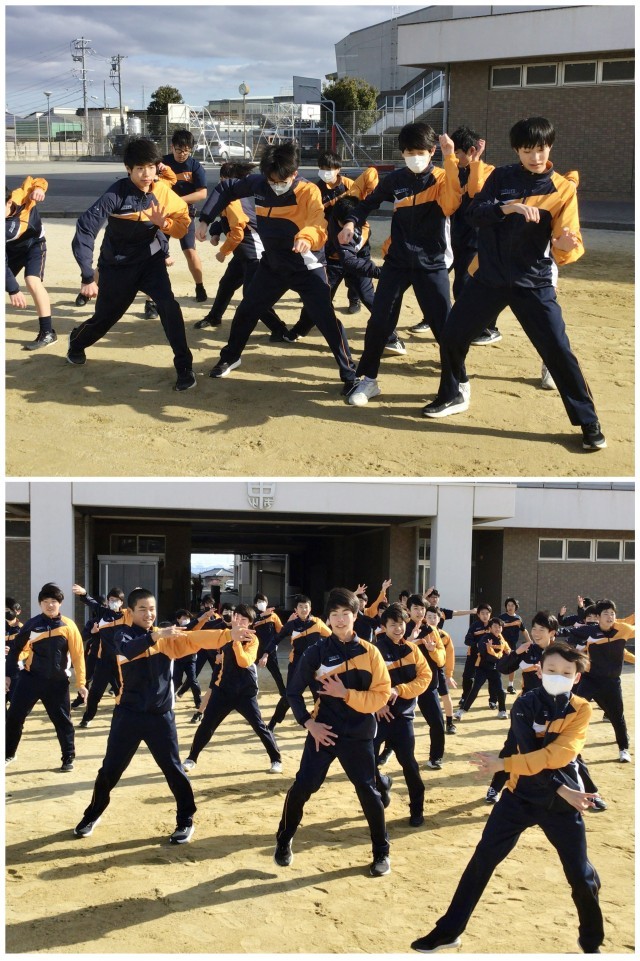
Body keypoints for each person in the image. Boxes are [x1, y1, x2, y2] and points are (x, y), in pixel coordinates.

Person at [421, 116, 606, 453]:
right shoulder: (501, 177)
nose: (535, 157)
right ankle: (454, 392)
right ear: (517, 151)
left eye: (541, 149)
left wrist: (565, 243)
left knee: (558, 351)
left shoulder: (562, 189)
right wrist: (508, 208)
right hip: (489, 278)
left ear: (550, 147)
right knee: (452, 336)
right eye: (527, 150)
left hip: (532, 282)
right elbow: (474, 214)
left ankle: (587, 421)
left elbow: (568, 242)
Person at [411, 642, 604, 955]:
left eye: (566, 673)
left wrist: (506, 765)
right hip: (520, 797)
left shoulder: (581, 709)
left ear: (577, 677)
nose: (558, 676)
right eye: (552, 670)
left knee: (580, 876)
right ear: (539, 671)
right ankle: (448, 931)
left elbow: (557, 756)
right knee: (482, 861)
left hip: (561, 806)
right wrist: (560, 787)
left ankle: (591, 942)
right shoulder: (524, 704)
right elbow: (529, 756)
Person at [72, 588, 252, 843]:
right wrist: (155, 635)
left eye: (152, 609)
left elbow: (194, 638)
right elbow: (127, 650)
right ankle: (92, 815)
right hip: (128, 715)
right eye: (143, 609)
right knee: (109, 770)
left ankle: (185, 819)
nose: (149, 614)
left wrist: (227, 635)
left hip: (160, 717)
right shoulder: (120, 634)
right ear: (130, 611)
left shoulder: (166, 638)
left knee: (173, 769)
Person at [196, 142, 358, 395]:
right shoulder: (260, 184)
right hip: (272, 264)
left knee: (325, 318)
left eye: (282, 181)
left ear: (294, 173)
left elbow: (318, 222)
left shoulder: (308, 191)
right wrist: (205, 219)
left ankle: (350, 374)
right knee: (247, 309)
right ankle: (230, 357)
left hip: (306, 265)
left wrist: (306, 237)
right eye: (271, 180)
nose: (276, 185)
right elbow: (226, 188)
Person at [336, 123, 461, 407]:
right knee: (379, 320)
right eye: (408, 152)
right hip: (398, 261)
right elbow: (368, 203)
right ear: (402, 153)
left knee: (444, 326)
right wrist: (351, 222)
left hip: (432, 263)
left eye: (420, 152)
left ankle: (456, 384)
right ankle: (368, 379)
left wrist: (450, 157)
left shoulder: (443, 178)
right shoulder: (396, 179)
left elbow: (452, 203)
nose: (414, 157)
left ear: (432, 151)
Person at [273, 587, 392, 876]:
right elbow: (293, 692)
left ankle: (381, 852)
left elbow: (381, 696)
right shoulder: (316, 651)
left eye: (346, 614)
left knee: (368, 791)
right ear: (328, 618)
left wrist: (346, 694)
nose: (340, 620)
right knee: (303, 787)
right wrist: (308, 723)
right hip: (323, 731)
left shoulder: (371, 652)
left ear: (355, 616)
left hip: (359, 734)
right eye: (335, 614)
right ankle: (284, 839)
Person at [68, 137, 196, 392]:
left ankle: (184, 367)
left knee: (169, 307)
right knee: (106, 318)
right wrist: (87, 275)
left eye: (151, 167)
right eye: (139, 168)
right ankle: (77, 342)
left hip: (150, 263)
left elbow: (183, 225)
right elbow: (85, 228)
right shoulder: (116, 194)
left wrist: (164, 224)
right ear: (128, 169)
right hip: (117, 265)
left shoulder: (162, 193)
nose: (146, 174)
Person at [181, 603, 282, 774]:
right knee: (207, 725)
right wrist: (219, 654)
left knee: (259, 726)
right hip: (223, 689)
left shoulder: (253, 639)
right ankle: (191, 758)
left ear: (250, 623)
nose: (239, 622)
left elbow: (244, 661)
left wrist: (235, 642)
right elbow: (207, 642)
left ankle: (276, 759)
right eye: (237, 618)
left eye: (244, 620)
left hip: (245, 692)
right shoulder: (225, 634)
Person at [198, 161, 291, 340]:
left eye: (225, 180)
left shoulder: (233, 201)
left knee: (252, 295)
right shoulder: (231, 200)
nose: (222, 184)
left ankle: (279, 329)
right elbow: (224, 220)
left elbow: (238, 233)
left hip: (253, 255)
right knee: (226, 284)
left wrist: (223, 252)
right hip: (242, 254)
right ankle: (214, 317)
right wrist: (215, 232)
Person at [5, 583, 87, 772]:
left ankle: (68, 757)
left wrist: (81, 683)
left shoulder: (68, 626)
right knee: (14, 716)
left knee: (63, 721)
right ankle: (8, 753)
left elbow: (78, 655)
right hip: (30, 679)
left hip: (57, 683)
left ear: (60, 603)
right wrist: (8, 674)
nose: (50, 605)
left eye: (54, 601)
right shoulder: (32, 625)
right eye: (46, 602)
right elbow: (16, 649)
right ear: (40, 604)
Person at [373, 604, 430, 825]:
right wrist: (378, 704)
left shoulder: (412, 650)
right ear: (384, 627)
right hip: (378, 717)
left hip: (403, 717)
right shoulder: (375, 650)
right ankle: (382, 785)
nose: (398, 628)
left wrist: (400, 690)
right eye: (393, 625)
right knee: (367, 763)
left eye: (401, 624)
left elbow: (424, 678)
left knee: (409, 764)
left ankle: (417, 809)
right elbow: (365, 681)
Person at [569, 599, 635, 762]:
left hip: (611, 682)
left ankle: (623, 749)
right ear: (598, 617)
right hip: (590, 680)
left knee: (616, 715)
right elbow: (566, 632)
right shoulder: (589, 631)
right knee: (574, 710)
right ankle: (568, 748)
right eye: (606, 613)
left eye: (612, 613)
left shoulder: (623, 629)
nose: (610, 616)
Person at [5, 176, 56, 350]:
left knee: (32, 281)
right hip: (10, 250)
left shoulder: (19, 196)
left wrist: (39, 188)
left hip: (34, 245)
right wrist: (13, 289)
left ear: (8, 202)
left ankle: (47, 333)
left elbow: (35, 181)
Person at [268, 595, 332, 730]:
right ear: (296, 610)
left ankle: (320, 722)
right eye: (301, 607)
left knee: (320, 696)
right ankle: (273, 722)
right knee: (289, 695)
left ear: (310, 608)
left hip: (315, 668)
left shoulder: (317, 623)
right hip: (296, 666)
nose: (304, 609)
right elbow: (276, 639)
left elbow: (332, 638)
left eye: (306, 607)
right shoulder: (291, 625)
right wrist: (265, 653)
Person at [162, 128, 208, 302]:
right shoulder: (162, 164)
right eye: (179, 150)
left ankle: (199, 286)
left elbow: (202, 193)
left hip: (184, 214)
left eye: (186, 151)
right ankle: (152, 299)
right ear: (172, 147)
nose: (182, 154)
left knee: (190, 251)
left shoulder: (195, 166)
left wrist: (178, 201)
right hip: (163, 215)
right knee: (157, 254)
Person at [72, 584, 127, 727]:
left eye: (116, 600)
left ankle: (124, 719)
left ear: (122, 602)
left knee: (123, 692)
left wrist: (137, 596)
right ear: (107, 601)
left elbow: (140, 612)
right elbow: (91, 602)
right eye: (111, 599)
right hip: (104, 661)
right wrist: (84, 593)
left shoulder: (127, 615)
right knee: (95, 692)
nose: (113, 602)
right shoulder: (103, 613)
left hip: (121, 661)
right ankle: (87, 718)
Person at [405, 595, 447, 769]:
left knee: (437, 723)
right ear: (408, 610)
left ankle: (435, 757)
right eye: (416, 608)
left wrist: (432, 650)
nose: (420, 612)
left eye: (422, 608)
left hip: (428, 684)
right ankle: (385, 753)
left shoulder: (431, 630)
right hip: (404, 686)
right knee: (395, 725)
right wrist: (411, 641)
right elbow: (394, 653)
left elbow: (441, 660)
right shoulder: (402, 628)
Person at [455, 617, 511, 720]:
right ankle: (461, 711)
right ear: (490, 628)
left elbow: (508, 651)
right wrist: (496, 655)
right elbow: (486, 654)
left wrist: (507, 655)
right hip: (483, 668)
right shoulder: (485, 638)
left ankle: (502, 711)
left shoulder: (502, 639)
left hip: (495, 669)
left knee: (500, 690)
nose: (497, 629)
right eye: (495, 626)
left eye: (499, 627)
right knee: (475, 689)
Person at [499, 597, 531, 694]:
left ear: (515, 607)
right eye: (508, 605)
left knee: (512, 664)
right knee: (499, 664)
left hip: (513, 645)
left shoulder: (518, 618)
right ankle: (498, 687)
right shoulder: (502, 617)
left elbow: (524, 630)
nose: (510, 607)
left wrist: (530, 642)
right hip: (501, 645)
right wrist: (513, 624)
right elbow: (500, 626)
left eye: (512, 605)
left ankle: (510, 686)